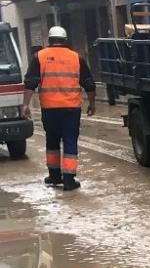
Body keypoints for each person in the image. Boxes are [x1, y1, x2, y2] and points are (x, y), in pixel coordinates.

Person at [21, 27, 96, 192]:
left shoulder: (39, 57)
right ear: (65, 40)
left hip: (49, 109)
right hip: (71, 109)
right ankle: (69, 180)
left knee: (52, 141)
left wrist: (26, 104)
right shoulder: (76, 58)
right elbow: (89, 83)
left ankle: (54, 177)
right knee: (70, 141)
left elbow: (30, 83)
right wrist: (92, 103)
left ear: (49, 40)